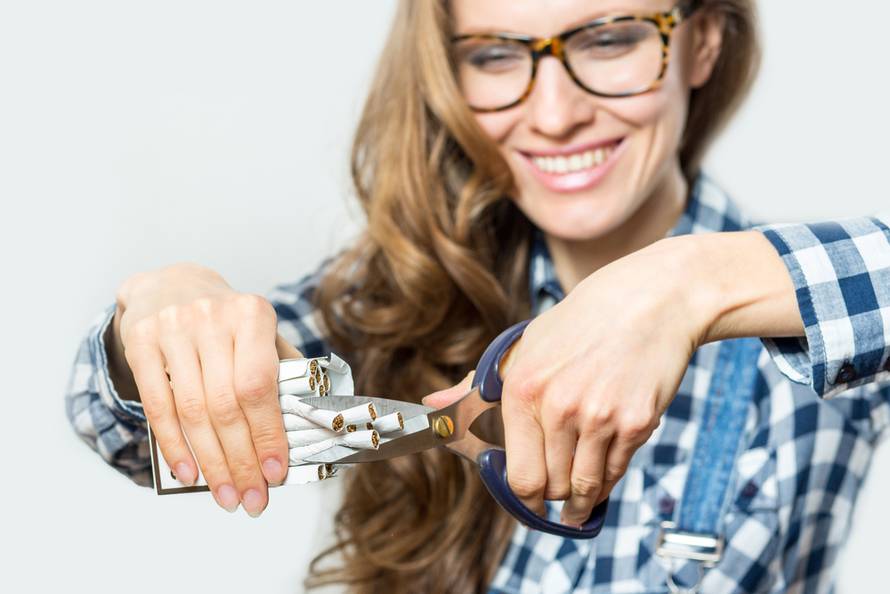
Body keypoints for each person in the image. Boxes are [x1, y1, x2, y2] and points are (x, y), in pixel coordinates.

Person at [65, 0, 890, 592]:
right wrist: (165, 309)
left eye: (609, 40)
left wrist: (683, 284)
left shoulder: (808, 319)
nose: (557, 113)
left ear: (703, 43)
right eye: (495, 55)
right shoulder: (399, 299)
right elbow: (123, 436)